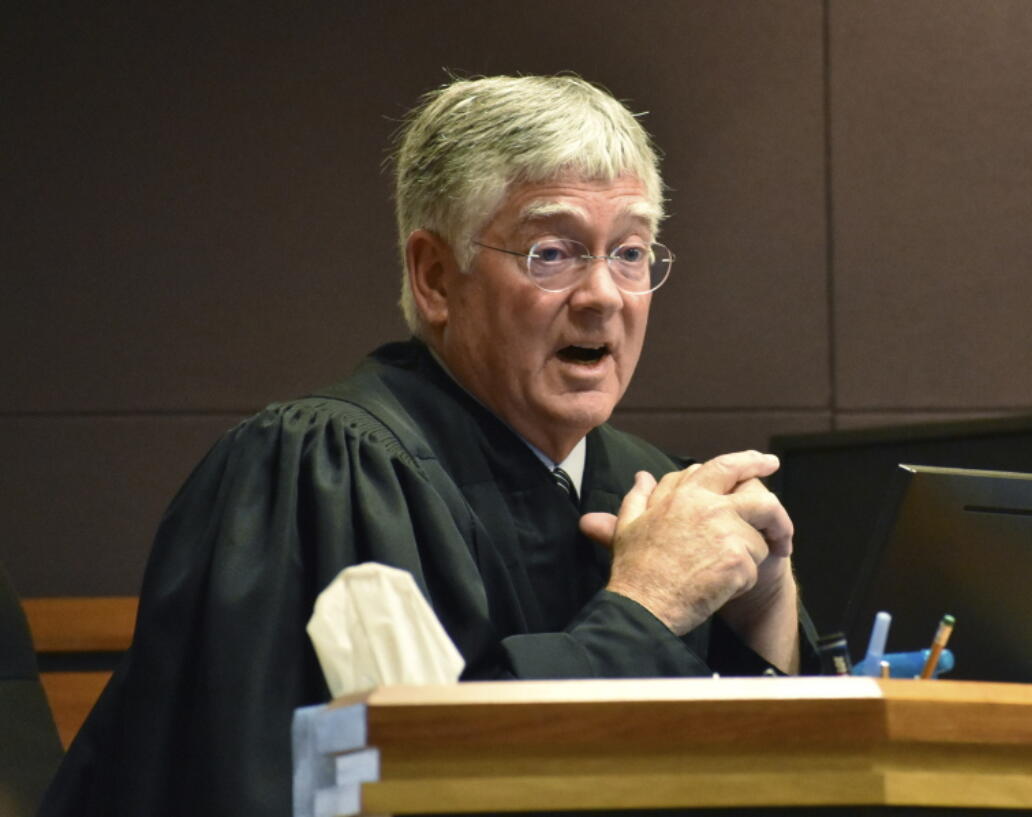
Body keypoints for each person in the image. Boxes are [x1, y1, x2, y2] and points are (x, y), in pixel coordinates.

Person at [39, 74, 819, 817]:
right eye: (554, 252)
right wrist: (644, 610)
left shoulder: (651, 490)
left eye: (630, 251)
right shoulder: (317, 474)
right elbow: (377, 788)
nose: (604, 296)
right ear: (437, 277)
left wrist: (767, 608)